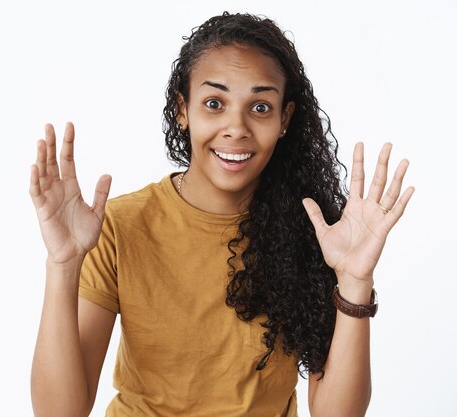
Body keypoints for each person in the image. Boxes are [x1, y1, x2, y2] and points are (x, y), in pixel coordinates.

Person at [29, 12, 414, 417]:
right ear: (183, 109)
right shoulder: (121, 226)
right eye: (215, 103)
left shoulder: (314, 234)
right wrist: (63, 264)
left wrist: (355, 282)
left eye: (260, 107)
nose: (236, 127)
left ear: (284, 118)